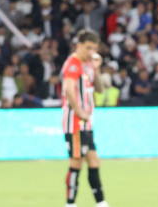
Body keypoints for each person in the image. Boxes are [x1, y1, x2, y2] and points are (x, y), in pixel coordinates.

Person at [60, 29, 110, 207]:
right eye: (88, 48)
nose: (91, 52)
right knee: (77, 162)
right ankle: (71, 203)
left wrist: (96, 70)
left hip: (86, 124)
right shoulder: (73, 64)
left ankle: (101, 202)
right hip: (74, 122)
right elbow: (68, 89)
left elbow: (100, 89)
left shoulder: (89, 64)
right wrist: (80, 111)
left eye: (94, 48)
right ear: (78, 45)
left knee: (94, 160)